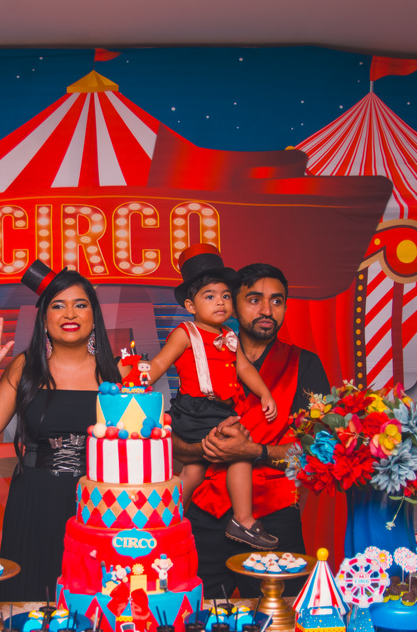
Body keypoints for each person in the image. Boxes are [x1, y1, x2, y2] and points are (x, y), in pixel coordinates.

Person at [0, 262, 124, 601]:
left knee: (95, 603)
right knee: (31, 602)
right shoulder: (26, 366)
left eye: (80, 304)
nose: (70, 314)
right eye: (58, 305)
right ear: (44, 318)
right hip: (35, 501)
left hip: (100, 505)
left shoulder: (116, 373)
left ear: (94, 316)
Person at [179, 263, 331, 598]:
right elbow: (179, 435)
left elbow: (320, 451)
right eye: (254, 299)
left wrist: (254, 452)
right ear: (232, 304)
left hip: (272, 516)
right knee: (195, 616)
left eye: (277, 301)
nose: (267, 310)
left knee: (282, 618)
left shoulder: (303, 364)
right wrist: (204, 449)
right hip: (205, 513)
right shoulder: (201, 355)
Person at [141, 245, 279, 549]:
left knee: (194, 469)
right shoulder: (185, 333)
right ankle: (243, 520)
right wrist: (136, 382)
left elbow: (245, 368)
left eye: (226, 296)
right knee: (240, 453)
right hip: (195, 410)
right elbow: (160, 364)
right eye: (210, 296)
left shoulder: (229, 336)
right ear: (190, 305)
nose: (220, 302)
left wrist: (264, 393)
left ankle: (165, 518)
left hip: (220, 409)